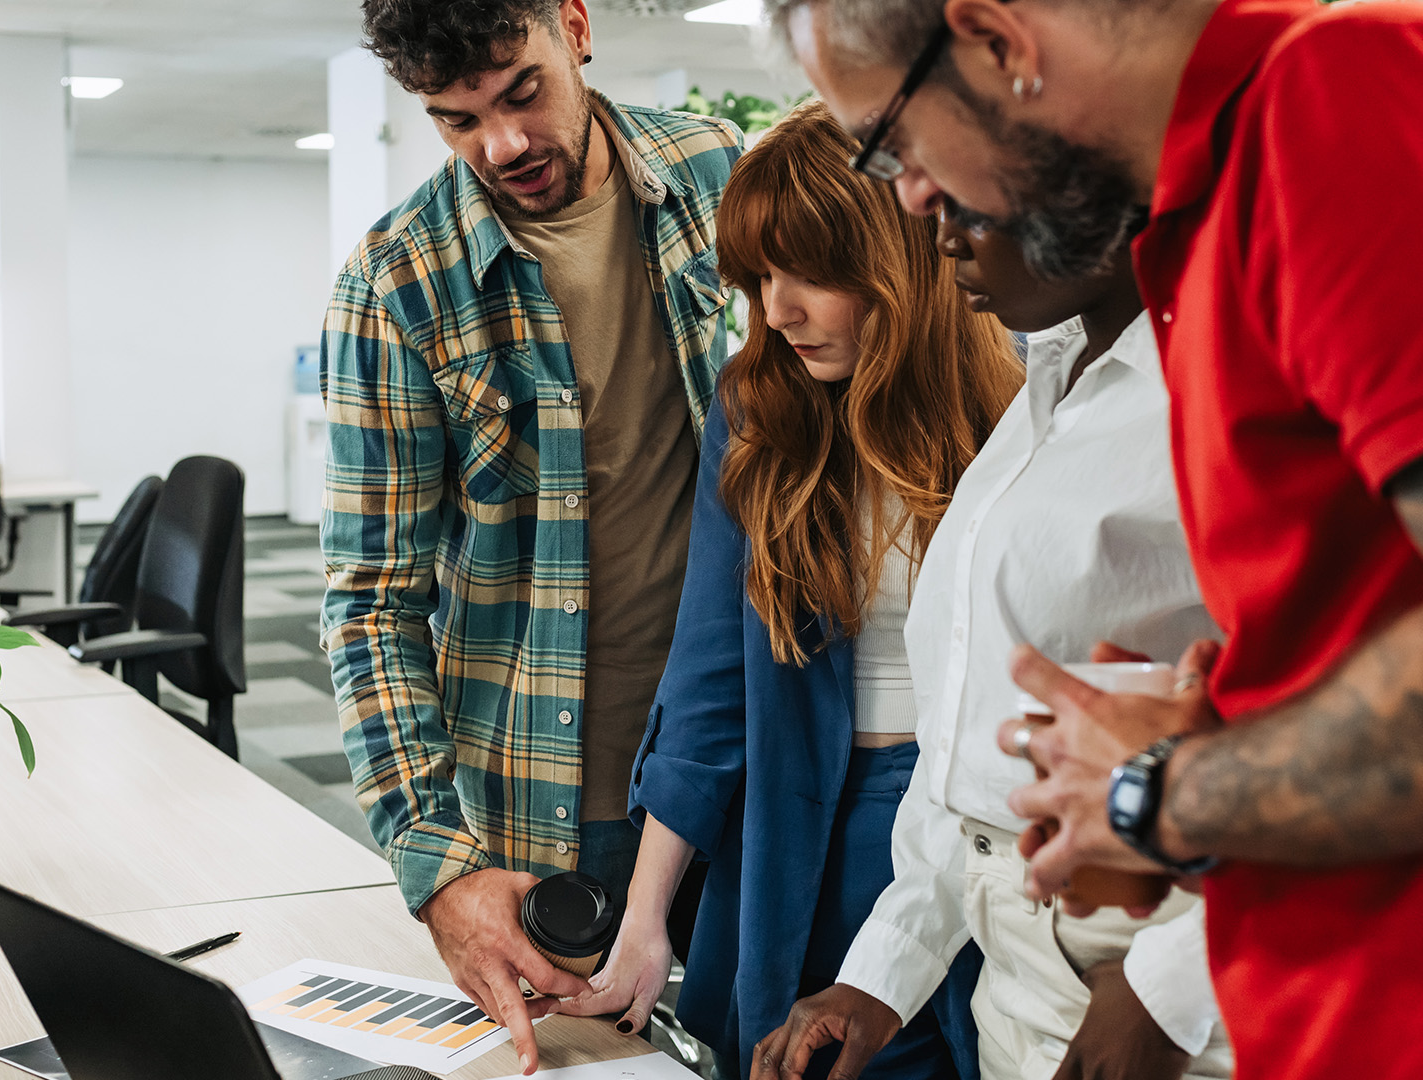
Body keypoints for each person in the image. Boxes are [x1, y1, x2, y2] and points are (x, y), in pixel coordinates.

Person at [768, 1, 1423, 1078]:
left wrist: (1159, 792)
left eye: (896, 144)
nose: (915, 196)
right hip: (1339, 997)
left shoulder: (1348, 94)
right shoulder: (1197, 239)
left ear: (996, 39)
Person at [554, 100, 1021, 1080]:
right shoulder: (760, 409)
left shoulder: (1022, 402)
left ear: (899, 261)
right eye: (761, 276)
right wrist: (644, 924)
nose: (778, 309)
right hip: (805, 819)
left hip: (983, 824)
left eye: (811, 274)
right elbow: (709, 688)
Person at [319, 0, 740, 1069]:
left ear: (575, 25)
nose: (503, 145)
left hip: (737, 762)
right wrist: (440, 868)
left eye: (521, 91)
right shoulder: (396, 287)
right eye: (456, 120)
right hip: (551, 806)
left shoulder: (714, 176)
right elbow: (369, 602)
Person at [756, 201, 1232, 1080]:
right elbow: (968, 746)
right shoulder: (1051, 381)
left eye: (961, 198)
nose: (934, 233)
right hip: (1017, 974)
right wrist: (883, 973)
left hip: (1160, 979)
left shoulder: (1221, 388)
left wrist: (1169, 988)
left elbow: (1367, 724)